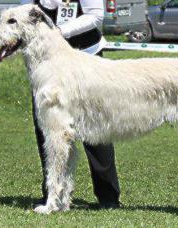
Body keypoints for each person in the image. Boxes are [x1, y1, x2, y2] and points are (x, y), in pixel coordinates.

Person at [32, 0, 120, 208]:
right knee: (49, 130)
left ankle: (108, 197)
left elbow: (96, 15)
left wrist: (60, 31)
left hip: (87, 60)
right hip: (48, 63)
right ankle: (55, 194)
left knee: (96, 130)